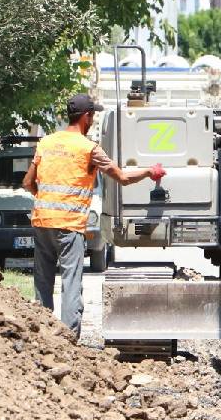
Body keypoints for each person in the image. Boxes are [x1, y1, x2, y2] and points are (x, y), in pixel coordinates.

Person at [21, 93, 165, 338]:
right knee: (71, 283)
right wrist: (149, 172)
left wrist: (46, 200)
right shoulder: (89, 148)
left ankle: (41, 335)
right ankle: (67, 339)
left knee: (43, 282)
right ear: (87, 116)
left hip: (42, 221)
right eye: (93, 116)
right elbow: (122, 178)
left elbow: (27, 182)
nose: (93, 120)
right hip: (68, 226)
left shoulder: (46, 142)